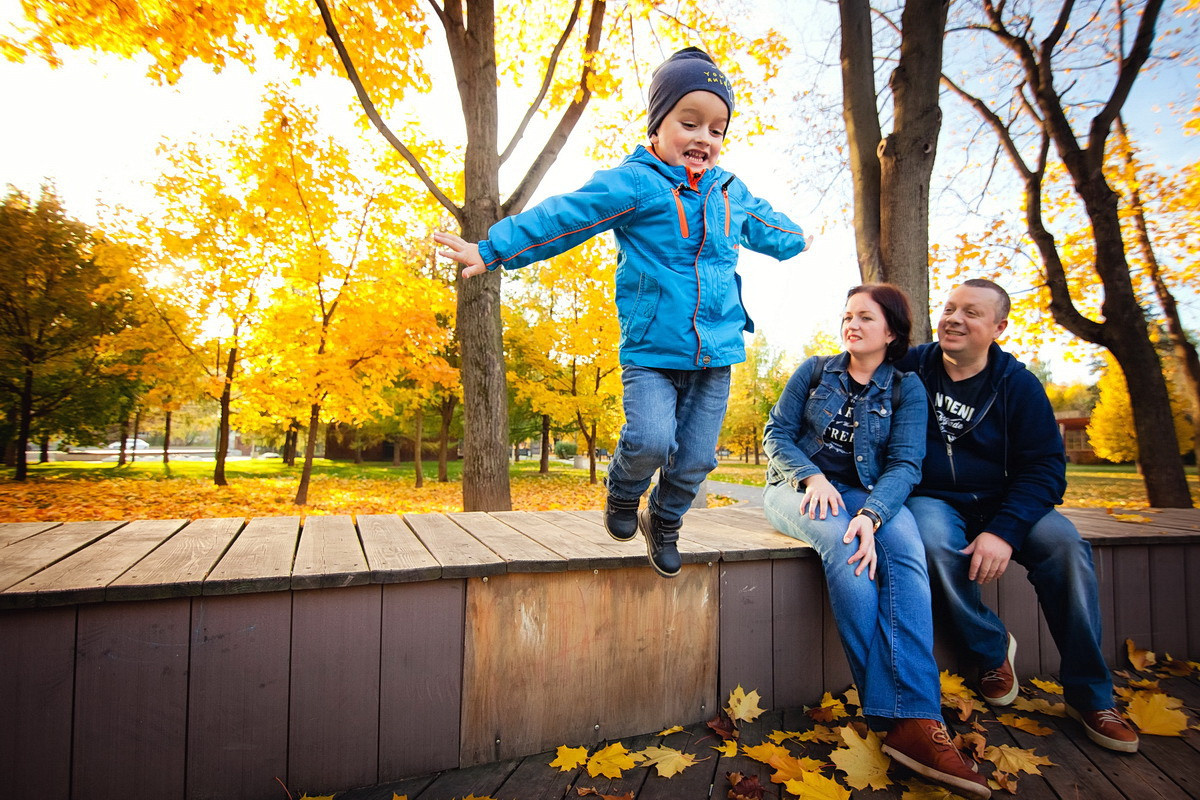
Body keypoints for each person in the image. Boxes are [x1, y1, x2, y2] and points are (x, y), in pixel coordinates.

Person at [435, 47, 809, 578]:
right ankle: (623, 489)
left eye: (717, 129)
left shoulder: (730, 192)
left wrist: (798, 239)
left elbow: (769, 225)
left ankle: (666, 519)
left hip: (717, 353)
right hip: (653, 350)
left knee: (699, 458)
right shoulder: (636, 183)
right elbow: (567, 215)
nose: (704, 137)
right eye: (689, 122)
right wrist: (493, 248)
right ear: (657, 127)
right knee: (651, 439)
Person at [763, 284, 991, 799]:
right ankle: (901, 718)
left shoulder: (907, 388)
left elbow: (907, 463)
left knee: (907, 555)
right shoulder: (815, 370)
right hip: (796, 488)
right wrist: (810, 477)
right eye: (847, 315)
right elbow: (774, 434)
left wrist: (871, 513)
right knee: (846, 552)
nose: (852, 325)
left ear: (890, 331)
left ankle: (916, 718)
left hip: (871, 495)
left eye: (865, 318)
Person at [900, 278, 1139, 753]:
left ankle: (1091, 695)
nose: (954, 318)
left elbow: (1047, 469)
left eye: (971, 312)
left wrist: (1004, 532)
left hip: (1006, 502)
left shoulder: (1017, 384)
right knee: (928, 539)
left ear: (998, 327)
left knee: (1066, 547)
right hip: (933, 498)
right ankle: (991, 650)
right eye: (949, 308)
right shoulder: (911, 367)